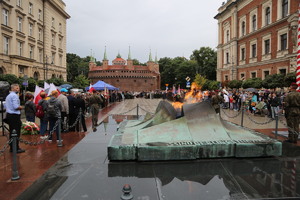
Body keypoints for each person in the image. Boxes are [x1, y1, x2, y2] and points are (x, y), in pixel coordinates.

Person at [5, 83, 25, 153]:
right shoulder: (14, 96)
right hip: (14, 115)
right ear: (12, 88)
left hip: (9, 115)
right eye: (17, 88)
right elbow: (16, 106)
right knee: (16, 132)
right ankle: (15, 148)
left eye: (18, 88)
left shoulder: (8, 96)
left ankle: (12, 147)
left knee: (12, 132)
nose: (18, 89)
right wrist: (21, 107)